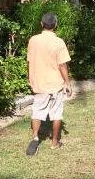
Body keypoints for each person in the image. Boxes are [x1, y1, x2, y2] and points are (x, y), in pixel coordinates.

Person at [25, 12, 72, 156]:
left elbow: (29, 61)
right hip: (55, 83)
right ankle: (54, 142)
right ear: (55, 25)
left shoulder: (33, 40)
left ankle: (35, 137)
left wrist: (30, 77)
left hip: (39, 82)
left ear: (41, 24)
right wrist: (67, 82)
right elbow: (62, 65)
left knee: (37, 112)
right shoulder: (59, 42)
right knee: (56, 113)